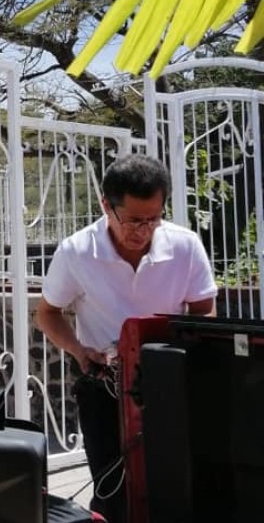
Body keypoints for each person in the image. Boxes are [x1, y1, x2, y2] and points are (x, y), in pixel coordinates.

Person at [36, 154, 217, 523]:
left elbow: (205, 313)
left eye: (153, 219)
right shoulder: (76, 251)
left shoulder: (185, 245)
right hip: (104, 388)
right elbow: (47, 313)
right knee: (112, 493)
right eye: (133, 219)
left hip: (171, 384)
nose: (144, 230)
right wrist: (78, 350)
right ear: (106, 205)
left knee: (175, 485)